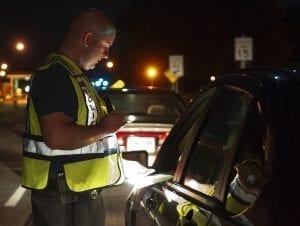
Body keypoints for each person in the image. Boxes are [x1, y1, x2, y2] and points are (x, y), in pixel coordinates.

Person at [21, 8, 125, 226]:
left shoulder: (74, 75)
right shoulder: (55, 75)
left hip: (74, 194)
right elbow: (57, 137)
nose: (106, 55)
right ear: (88, 38)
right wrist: (106, 128)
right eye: (105, 46)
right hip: (64, 197)